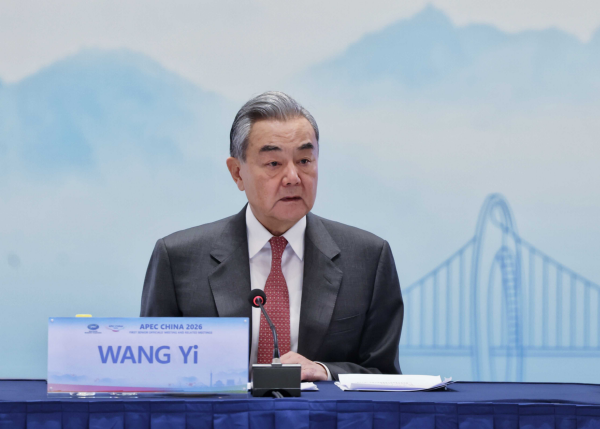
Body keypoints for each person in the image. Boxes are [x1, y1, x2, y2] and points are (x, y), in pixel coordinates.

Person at [140, 91, 403, 381]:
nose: (293, 177)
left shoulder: (367, 258)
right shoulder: (178, 259)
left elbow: (385, 375)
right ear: (237, 173)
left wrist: (325, 371)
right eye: (274, 164)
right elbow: (152, 372)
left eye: (304, 160)